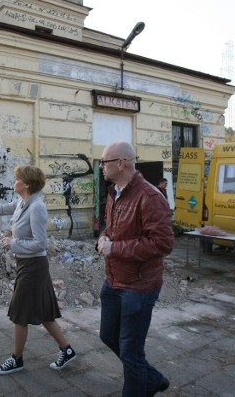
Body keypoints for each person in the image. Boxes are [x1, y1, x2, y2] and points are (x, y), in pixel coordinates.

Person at [0, 165, 76, 375]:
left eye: (16, 178)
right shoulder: (23, 201)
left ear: (26, 184)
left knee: (20, 314)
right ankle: (67, 351)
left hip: (34, 267)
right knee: (45, 312)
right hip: (26, 264)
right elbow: (1, 209)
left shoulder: (37, 207)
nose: (13, 181)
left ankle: (17, 359)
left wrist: (12, 243)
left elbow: (40, 244)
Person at [97, 142, 174, 396]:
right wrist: (104, 236)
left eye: (104, 162)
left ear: (120, 163)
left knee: (131, 351)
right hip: (114, 280)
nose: (101, 166)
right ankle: (151, 379)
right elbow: (112, 227)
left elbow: (162, 243)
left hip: (138, 287)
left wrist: (115, 248)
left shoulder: (150, 197)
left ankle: (140, 386)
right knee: (108, 335)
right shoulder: (115, 192)